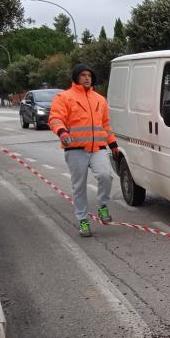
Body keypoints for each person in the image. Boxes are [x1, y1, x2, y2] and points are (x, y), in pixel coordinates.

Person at [48, 64, 119, 237]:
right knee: (79, 187)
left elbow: (106, 125)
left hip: (98, 149)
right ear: (76, 77)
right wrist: (62, 132)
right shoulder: (63, 97)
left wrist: (113, 143)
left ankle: (102, 205)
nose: (87, 78)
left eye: (89, 75)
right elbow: (55, 118)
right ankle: (83, 221)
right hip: (75, 150)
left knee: (106, 176)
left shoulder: (100, 99)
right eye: (83, 75)